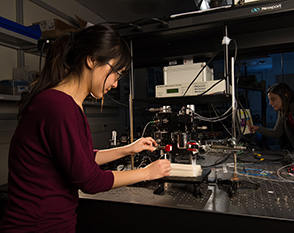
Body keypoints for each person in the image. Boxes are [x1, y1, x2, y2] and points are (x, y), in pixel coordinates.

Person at [0, 24, 171, 232]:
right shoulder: (58, 106)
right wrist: (146, 173)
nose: (116, 83)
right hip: (38, 227)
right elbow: (90, 180)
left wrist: (128, 149)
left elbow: (79, 159)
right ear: (92, 60)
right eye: (116, 72)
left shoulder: (64, 103)